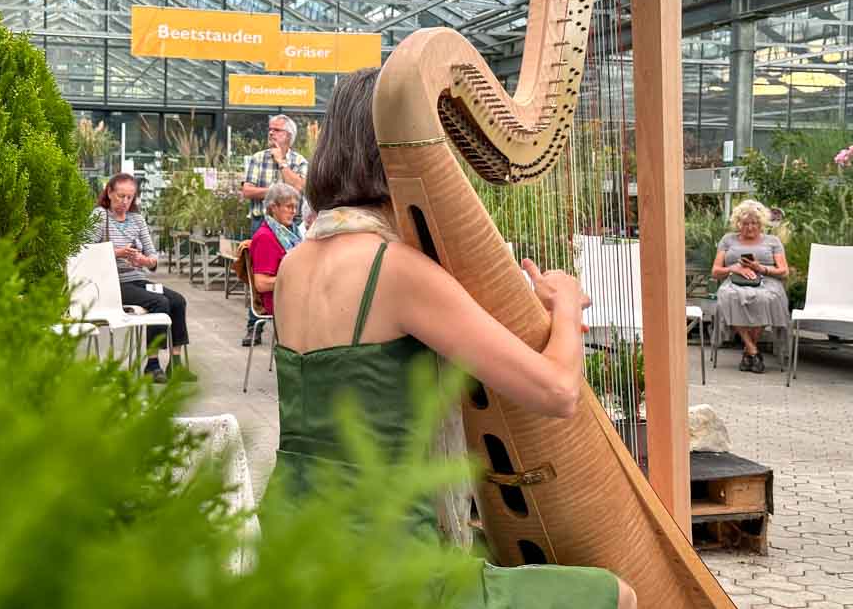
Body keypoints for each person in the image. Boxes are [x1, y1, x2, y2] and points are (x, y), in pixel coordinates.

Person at [270, 68, 637, 609]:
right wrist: (564, 305)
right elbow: (559, 391)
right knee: (617, 595)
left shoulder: (294, 265)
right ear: (401, 154)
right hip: (385, 563)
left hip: (293, 540)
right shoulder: (397, 271)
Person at [91, 173, 193, 383]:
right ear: (109, 193)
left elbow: (153, 257)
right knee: (159, 302)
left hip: (138, 279)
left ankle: (175, 364)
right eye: (121, 196)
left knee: (177, 301)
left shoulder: (137, 219)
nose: (125, 201)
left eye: (130, 197)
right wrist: (118, 253)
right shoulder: (100, 216)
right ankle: (152, 364)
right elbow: (86, 251)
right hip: (113, 283)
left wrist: (143, 260)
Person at [240, 114, 308, 346]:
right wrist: (277, 192)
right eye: (270, 129)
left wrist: (281, 163)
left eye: (277, 130)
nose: (271, 133)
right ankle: (254, 326)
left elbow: (299, 188)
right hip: (262, 222)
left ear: (289, 135)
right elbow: (247, 191)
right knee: (261, 273)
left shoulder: (298, 161)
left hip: (290, 225)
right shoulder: (258, 158)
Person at [711, 199, 790, 373]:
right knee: (728, 297)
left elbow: (784, 271)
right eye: (745, 223)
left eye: (754, 223)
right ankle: (753, 351)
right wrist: (733, 268)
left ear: (761, 223)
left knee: (765, 298)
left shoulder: (773, 241)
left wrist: (760, 268)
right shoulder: (728, 240)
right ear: (738, 223)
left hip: (766, 280)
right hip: (735, 280)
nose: (750, 227)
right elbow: (715, 271)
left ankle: (749, 354)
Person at [249, 182, 302, 315]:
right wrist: (298, 279)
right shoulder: (265, 237)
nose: (294, 211)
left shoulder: (289, 233)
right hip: (279, 302)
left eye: (295, 207)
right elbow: (261, 284)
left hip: (292, 296)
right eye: (289, 206)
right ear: (273, 207)